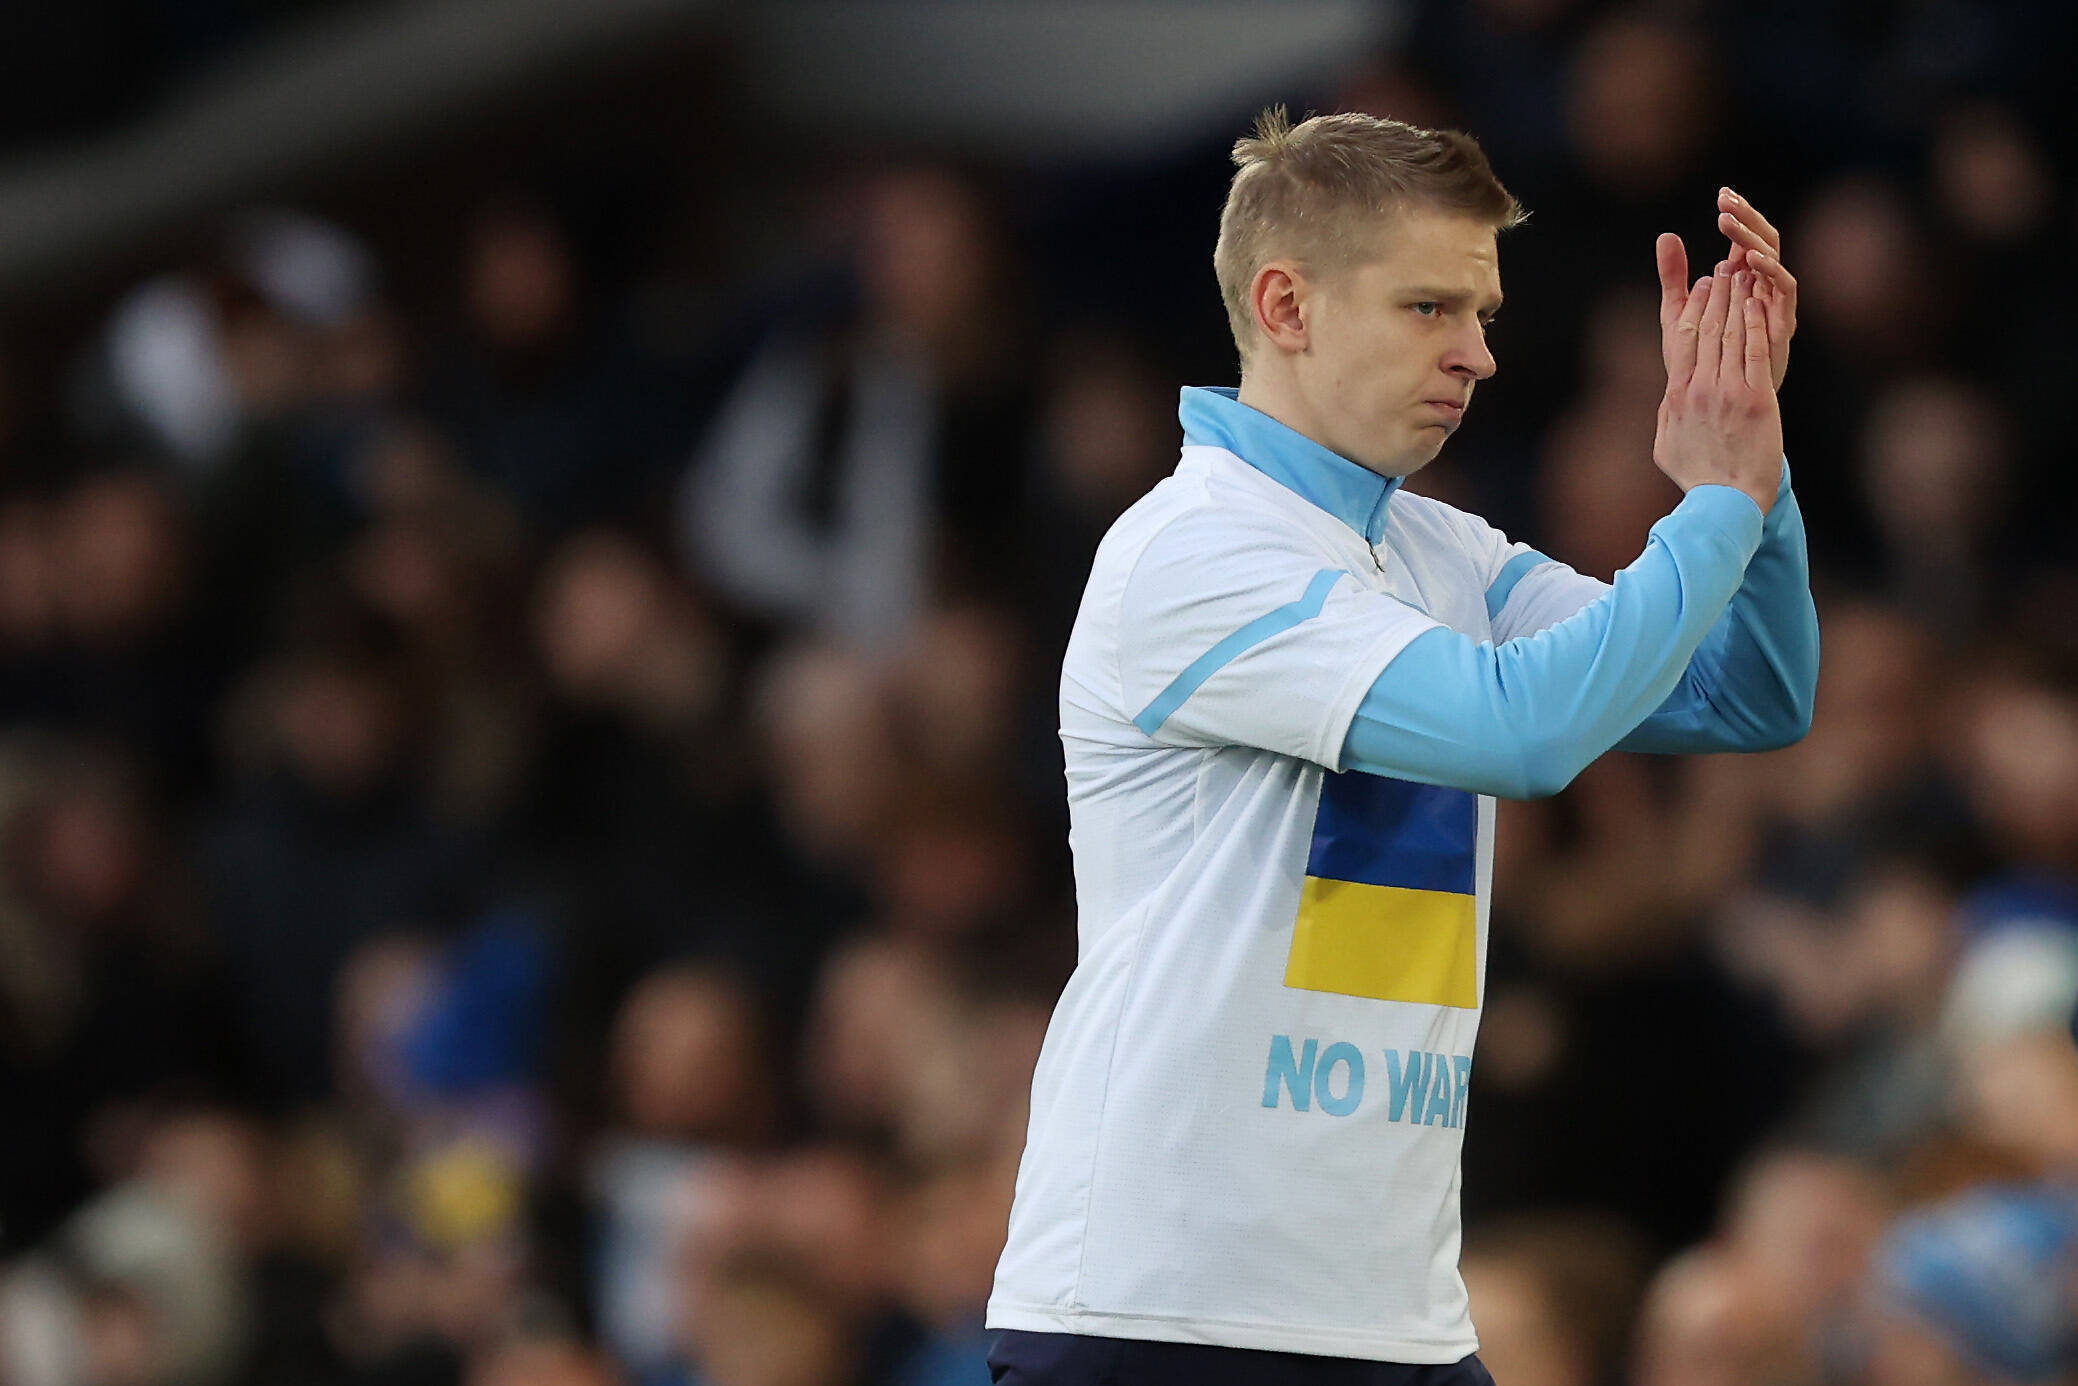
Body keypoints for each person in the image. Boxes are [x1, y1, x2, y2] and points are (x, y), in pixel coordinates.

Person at [985, 109, 1818, 1384]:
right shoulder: (1192, 551)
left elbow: (1743, 693)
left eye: (1479, 314)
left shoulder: (1439, 553)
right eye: (1429, 308)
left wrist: (1753, 475)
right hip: (1162, 1312)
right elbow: (1522, 731)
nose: (1477, 355)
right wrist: (1707, 508)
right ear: (1286, 304)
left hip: (1391, 1316)